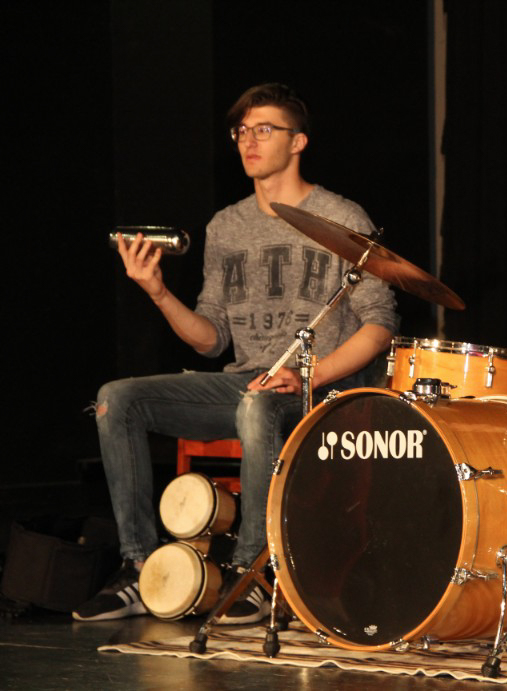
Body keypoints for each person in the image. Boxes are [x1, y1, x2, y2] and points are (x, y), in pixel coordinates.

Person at [73, 83, 400, 623]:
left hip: (322, 388)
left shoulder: (341, 215)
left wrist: (311, 375)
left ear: (298, 142)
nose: (249, 141)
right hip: (248, 381)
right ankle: (138, 566)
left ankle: (253, 572)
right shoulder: (226, 225)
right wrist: (158, 292)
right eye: (242, 131)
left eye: (264, 130)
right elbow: (211, 338)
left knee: (256, 404)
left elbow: (380, 325)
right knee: (117, 400)